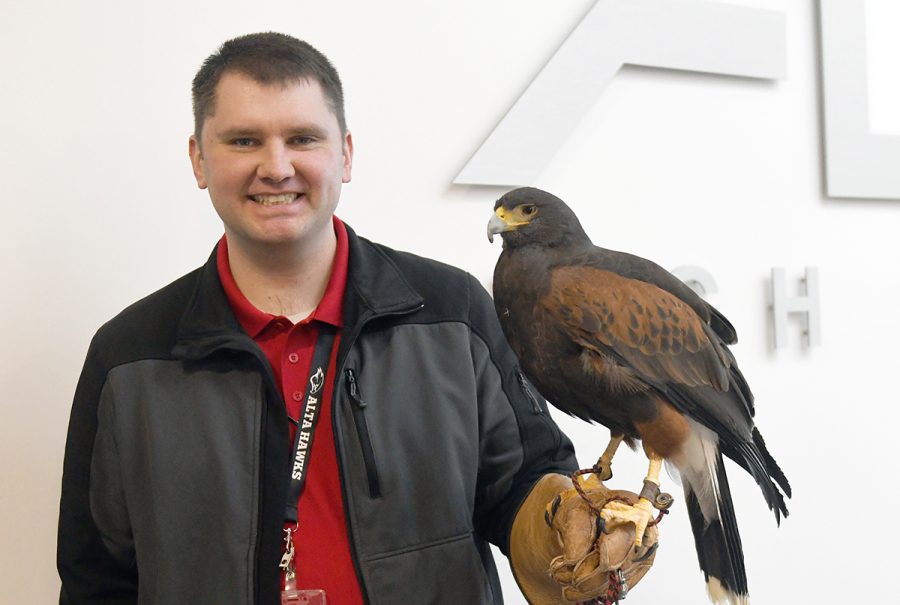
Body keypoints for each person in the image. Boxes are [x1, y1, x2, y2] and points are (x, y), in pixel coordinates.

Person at [57, 32, 652, 605]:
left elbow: (529, 481)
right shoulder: (127, 356)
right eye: (243, 141)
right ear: (198, 159)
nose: (276, 166)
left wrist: (569, 530)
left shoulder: (454, 312)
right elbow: (95, 578)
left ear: (344, 154)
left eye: (303, 138)